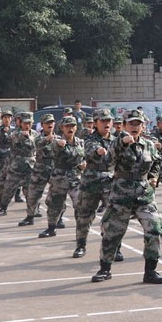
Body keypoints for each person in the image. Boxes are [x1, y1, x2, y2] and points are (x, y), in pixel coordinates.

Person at [91, 109, 162, 284]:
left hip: (144, 194)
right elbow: (107, 162)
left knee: (154, 228)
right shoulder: (117, 143)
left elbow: (156, 162)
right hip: (121, 193)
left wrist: (154, 177)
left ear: (143, 126)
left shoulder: (148, 145)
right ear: (124, 126)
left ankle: (150, 271)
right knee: (112, 233)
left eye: (138, 124)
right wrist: (121, 144)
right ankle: (105, 269)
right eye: (131, 123)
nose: (135, 127)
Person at [73, 109, 116, 258]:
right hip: (91, 181)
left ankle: (114, 247)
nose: (106, 124)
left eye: (108, 121)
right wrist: (99, 151)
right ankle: (81, 245)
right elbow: (91, 150)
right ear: (96, 123)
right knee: (84, 215)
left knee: (113, 216)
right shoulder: (89, 139)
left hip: (109, 181)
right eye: (103, 121)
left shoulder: (116, 140)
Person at [39, 116, 85, 239]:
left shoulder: (80, 142)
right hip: (59, 177)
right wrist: (59, 145)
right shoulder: (57, 142)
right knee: (55, 204)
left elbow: (85, 156)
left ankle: (80, 232)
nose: (70, 128)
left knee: (80, 204)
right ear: (62, 128)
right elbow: (49, 151)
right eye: (67, 126)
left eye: (72, 126)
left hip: (76, 177)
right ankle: (51, 228)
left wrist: (83, 165)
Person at [0, 112, 39, 217]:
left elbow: (38, 145)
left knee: (30, 190)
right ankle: (3, 208)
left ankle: (34, 210)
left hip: (30, 166)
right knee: (9, 188)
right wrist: (24, 135)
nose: (27, 125)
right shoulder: (15, 133)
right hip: (16, 166)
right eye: (25, 123)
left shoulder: (35, 134)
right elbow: (12, 138)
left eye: (29, 123)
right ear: (20, 123)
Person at [19, 114, 55, 226]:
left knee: (57, 196)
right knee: (33, 195)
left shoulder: (59, 138)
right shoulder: (37, 137)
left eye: (51, 123)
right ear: (42, 125)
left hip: (54, 169)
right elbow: (35, 145)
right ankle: (30, 216)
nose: (50, 125)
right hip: (40, 169)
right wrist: (46, 139)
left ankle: (59, 219)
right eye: (47, 123)